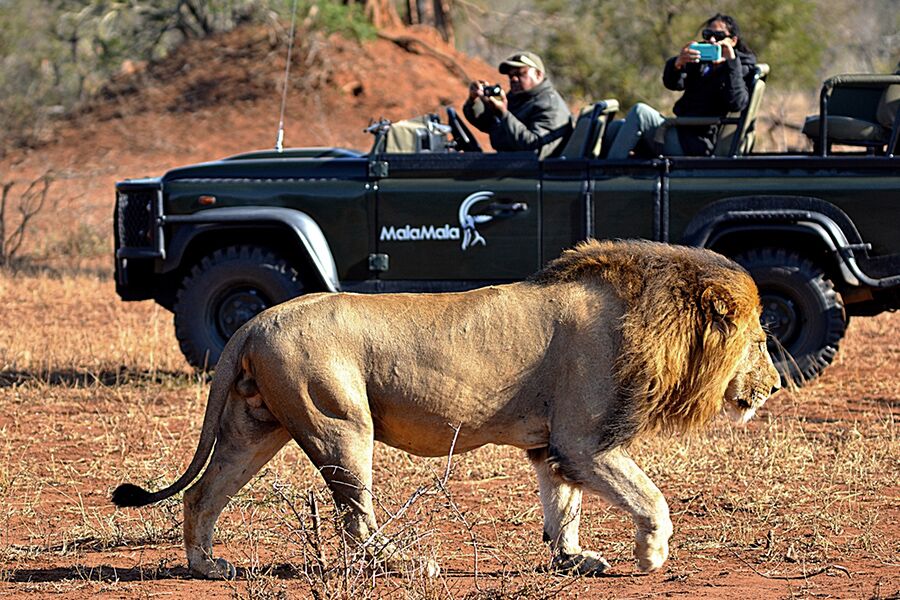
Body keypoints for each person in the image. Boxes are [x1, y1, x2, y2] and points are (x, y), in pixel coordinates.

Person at [606, 14, 757, 159]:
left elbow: (737, 102)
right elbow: (674, 84)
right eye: (707, 34)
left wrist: (731, 62)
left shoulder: (740, 68)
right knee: (614, 128)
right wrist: (678, 64)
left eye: (718, 36)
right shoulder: (703, 63)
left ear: (733, 41)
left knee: (640, 113)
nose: (712, 40)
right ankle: (601, 176)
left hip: (697, 143)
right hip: (682, 130)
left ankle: (607, 176)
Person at [463, 51, 572, 159]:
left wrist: (504, 114)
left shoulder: (549, 104)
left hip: (534, 172)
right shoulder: (519, 98)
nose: (514, 79)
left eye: (520, 74)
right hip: (511, 165)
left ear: (538, 75)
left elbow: (535, 149)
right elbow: (487, 123)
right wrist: (474, 100)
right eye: (511, 76)